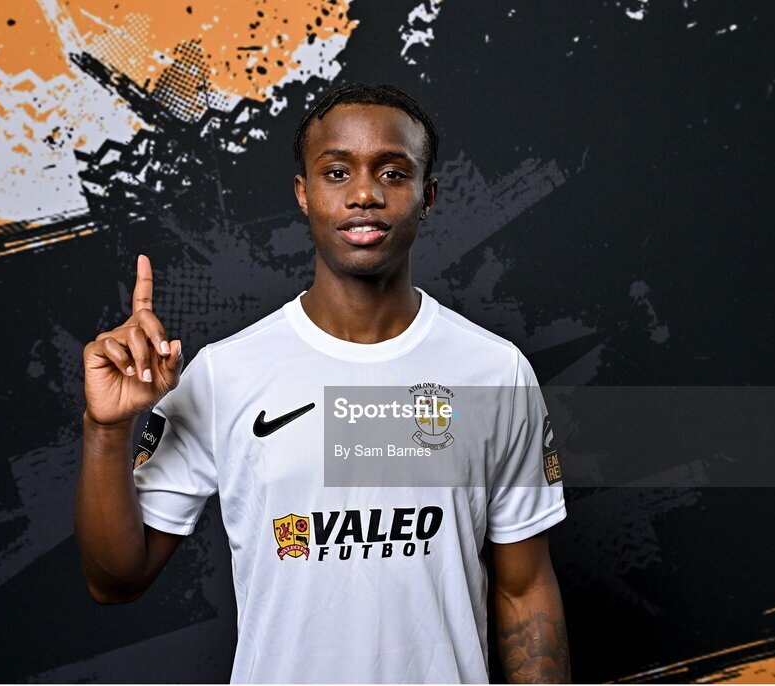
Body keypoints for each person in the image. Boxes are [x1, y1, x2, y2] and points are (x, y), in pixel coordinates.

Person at [76, 82, 571, 683]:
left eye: (392, 173)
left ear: (427, 196)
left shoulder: (494, 371)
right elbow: (114, 581)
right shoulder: (226, 372)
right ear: (303, 193)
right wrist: (106, 430)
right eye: (337, 172)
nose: (364, 193)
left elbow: (524, 592)